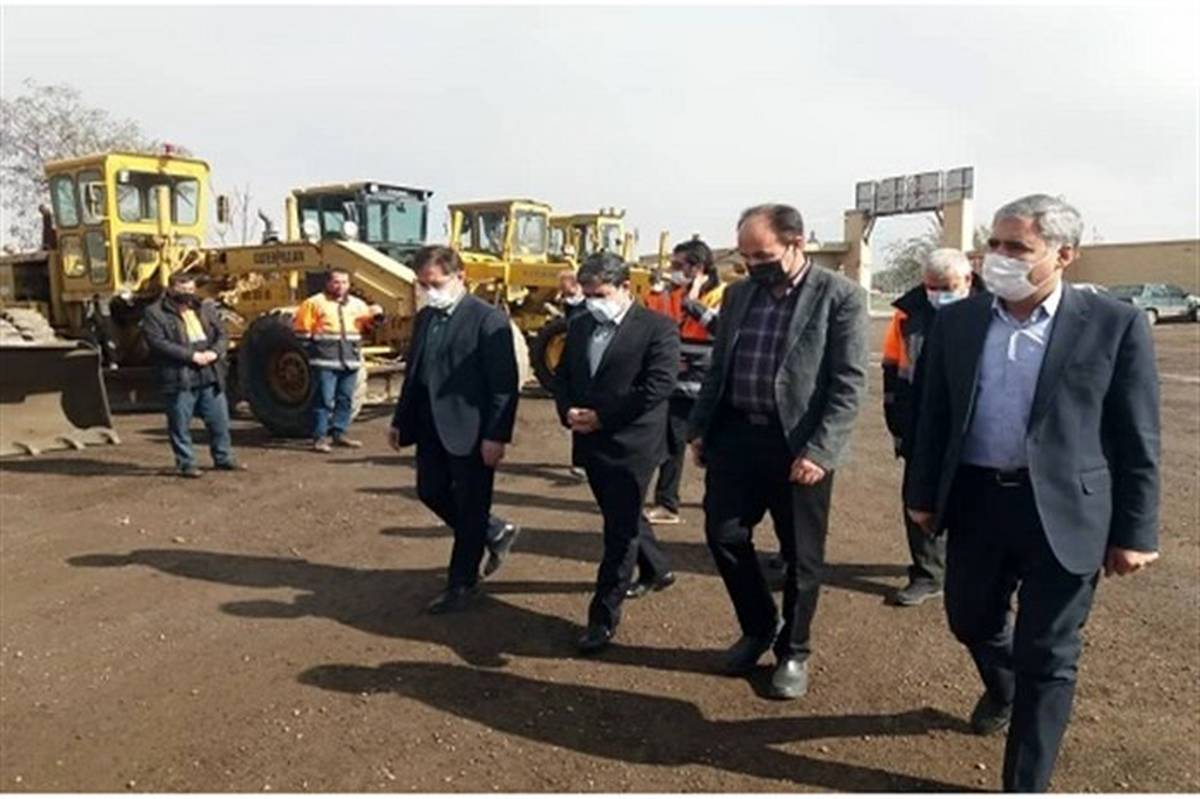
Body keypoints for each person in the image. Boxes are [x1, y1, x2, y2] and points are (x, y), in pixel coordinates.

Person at [904, 195, 1160, 792]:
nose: (999, 256)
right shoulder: (960, 322)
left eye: (1017, 247)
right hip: (977, 501)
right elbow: (933, 417)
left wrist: (1135, 531)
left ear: (1064, 255)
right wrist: (921, 493)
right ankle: (1005, 687)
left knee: (1049, 654)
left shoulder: (1113, 324)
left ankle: (1025, 784)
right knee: (970, 619)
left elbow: (1138, 434)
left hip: (1067, 512)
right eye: (994, 244)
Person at [687, 203, 868, 699]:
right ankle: (759, 625)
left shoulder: (839, 297)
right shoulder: (740, 294)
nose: (752, 265)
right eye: (745, 256)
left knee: (801, 556)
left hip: (798, 448)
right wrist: (700, 427)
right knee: (723, 535)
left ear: (797, 243)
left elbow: (849, 384)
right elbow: (719, 368)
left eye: (762, 256)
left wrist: (821, 451)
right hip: (736, 437)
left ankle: (794, 650)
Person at [552, 252, 680, 653]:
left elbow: (658, 386)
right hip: (590, 441)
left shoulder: (657, 328)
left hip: (632, 443)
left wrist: (603, 418)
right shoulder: (580, 325)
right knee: (620, 511)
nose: (593, 302)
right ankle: (657, 568)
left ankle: (602, 618)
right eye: (587, 294)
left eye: (600, 294)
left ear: (626, 288)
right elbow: (563, 376)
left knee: (619, 532)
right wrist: (567, 410)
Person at [389, 246, 521, 614]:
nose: (429, 291)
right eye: (422, 284)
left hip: (472, 429)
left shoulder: (487, 320)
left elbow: (503, 385)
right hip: (430, 423)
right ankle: (494, 531)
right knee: (429, 490)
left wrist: (496, 435)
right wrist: (400, 420)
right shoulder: (426, 318)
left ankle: (461, 583)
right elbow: (415, 373)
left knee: (471, 505)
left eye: (435, 283)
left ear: (460, 277)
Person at [881, 248, 978, 606]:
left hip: (974, 421)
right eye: (932, 287)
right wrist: (898, 425)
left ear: (967, 280)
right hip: (921, 419)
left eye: (947, 287)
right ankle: (928, 573)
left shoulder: (993, 309)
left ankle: (970, 568)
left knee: (975, 498)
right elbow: (892, 369)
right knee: (919, 496)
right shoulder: (907, 314)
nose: (938, 294)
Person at [643, 239, 726, 527]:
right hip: (678, 383)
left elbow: (719, 329)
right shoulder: (673, 294)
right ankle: (667, 503)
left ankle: (719, 504)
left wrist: (692, 301)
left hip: (708, 385)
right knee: (672, 443)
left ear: (698, 267)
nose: (673, 270)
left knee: (713, 446)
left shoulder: (722, 295)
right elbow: (658, 322)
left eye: (679, 265)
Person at [141, 271, 242, 478]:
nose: (188, 293)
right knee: (180, 423)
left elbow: (222, 333)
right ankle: (186, 463)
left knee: (219, 420)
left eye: (191, 289)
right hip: (180, 375)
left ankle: (223, 457)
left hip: (209, 373)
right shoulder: (155, 313)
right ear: (171, 289)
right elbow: (158, 343)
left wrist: (215, 352)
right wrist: (191, 356)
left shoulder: (204, 308)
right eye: (183, 289)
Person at [292, 268, 383, 452]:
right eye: (336, 282)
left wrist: (378, 317)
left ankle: (339, 433)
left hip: (350, 360)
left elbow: (369, 328)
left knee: (345, 399)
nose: (340, 286)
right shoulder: (313, 303)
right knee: (324, 400)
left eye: (344, 282)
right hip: (324, 361)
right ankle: (320, 437)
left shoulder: (357, 305)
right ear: (327, 283)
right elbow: (302, 333)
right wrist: (314, 353)